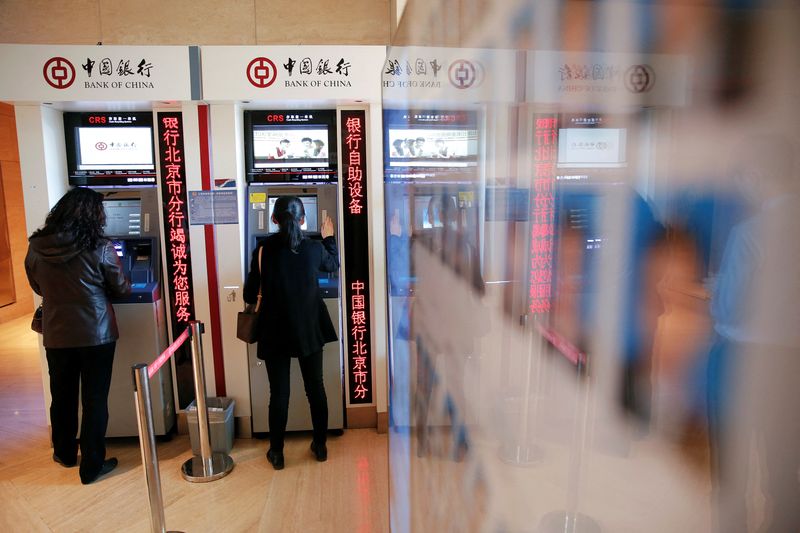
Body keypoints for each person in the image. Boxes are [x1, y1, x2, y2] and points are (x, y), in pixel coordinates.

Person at [25, 187, 130, 485]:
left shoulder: (36, 247)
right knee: (95, 399)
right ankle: (92, 465)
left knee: (62, 395)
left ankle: (66, 453)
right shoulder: (100, 246)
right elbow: (121, 287)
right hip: (96, 333)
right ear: (91, 214)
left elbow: (37, 286)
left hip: (57, 333)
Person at [243, 196, 339, 470]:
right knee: (316, 388)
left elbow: (251, 293)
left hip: (274, 330)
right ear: (303, 220)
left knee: (279, 394)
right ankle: (320, 446)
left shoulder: (262, 251)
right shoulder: (312, 248)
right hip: (308, 327)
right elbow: (333, 264)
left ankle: (277, 453)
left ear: (274, 220)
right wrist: (329, 237)